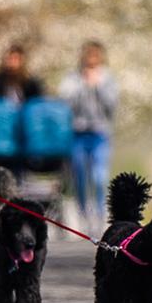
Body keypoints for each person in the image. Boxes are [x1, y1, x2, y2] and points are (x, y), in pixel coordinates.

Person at [58, 40, 118, 226]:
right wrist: (83, 86)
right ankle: (83, 213)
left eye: (95, 55)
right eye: (88, 55)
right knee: (80, 176)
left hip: (100, 134)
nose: (91, 59)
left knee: (99, 177)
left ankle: (100, 214)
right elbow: (65, 104)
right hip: (78, 134)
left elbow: (112, 106)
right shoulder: (73, 78)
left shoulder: (108, 79)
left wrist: (98, 87)